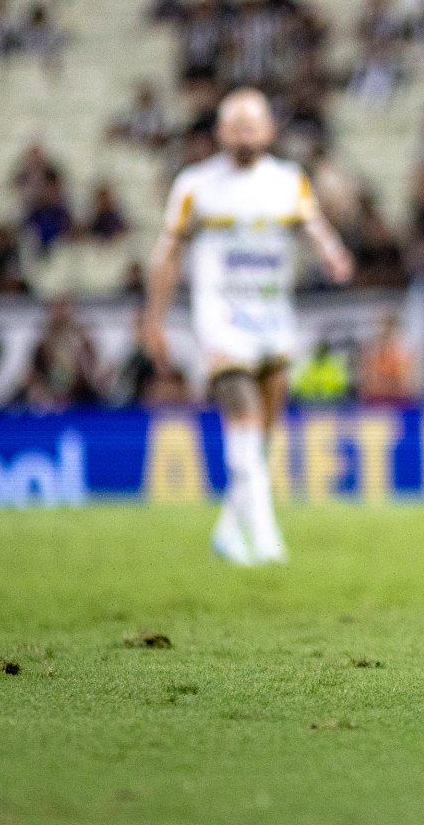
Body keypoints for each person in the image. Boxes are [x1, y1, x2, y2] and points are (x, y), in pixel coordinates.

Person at [143, 89, 354, 566]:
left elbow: (314, 225)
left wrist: (333, 254)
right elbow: (167, 252)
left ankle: (229, 528)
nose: (243, 133)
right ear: (219, 132)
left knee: (266, 427)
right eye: (234, 125)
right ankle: (265, 538)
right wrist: (153, 316)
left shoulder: (288, 182)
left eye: (252, 124)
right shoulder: (195, 185)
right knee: (241, 408)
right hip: (220, 316)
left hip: (272, 315)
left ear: (269, 131)